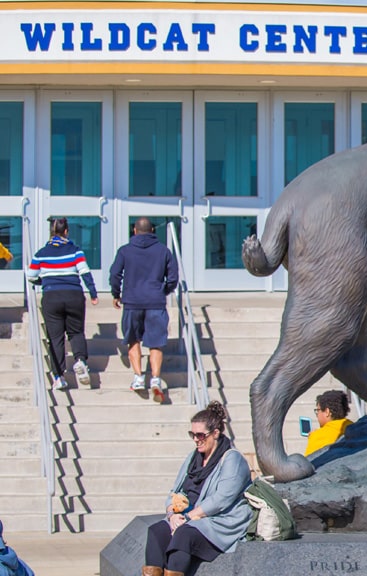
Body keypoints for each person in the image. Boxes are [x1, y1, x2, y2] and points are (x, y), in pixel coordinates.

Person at [144, 401, 252, 576]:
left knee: (184, 536)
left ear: (215, 433)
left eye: (200, 435)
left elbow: (221, 500)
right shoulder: (193, 457)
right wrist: (172, 515)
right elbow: (174, 491)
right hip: (187, 518)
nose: (196, 439)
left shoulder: (233, 459)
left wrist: (187, 518)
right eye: (192, 434)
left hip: (218, 521)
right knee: (157, 532)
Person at [25, 216, 99, 391]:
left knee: (56, 338)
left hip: (51, 296)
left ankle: (58, 377)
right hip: (73, 295)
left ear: (52, 232)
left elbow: (31, 276)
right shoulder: (75, 250)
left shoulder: (41, 253)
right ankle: (80, 360)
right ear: (66, 231)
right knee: (75, 332)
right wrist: (93, 293)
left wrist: (45, 282)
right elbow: (85, 272)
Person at [110, 217, 178, 402]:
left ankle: (139, 377)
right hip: (155, 301)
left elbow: (115, 274)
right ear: (153, 230)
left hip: (132, 301)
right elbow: (173, 277)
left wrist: (116, 294)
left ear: (134, 230)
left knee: (133, 339)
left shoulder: (125, 251)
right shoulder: (164, 251)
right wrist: (163, 291)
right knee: (156, 342)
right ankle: (155, 379)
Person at [304, 390, 353, 456]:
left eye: (318, 410)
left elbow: (309, 461)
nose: (317, 415)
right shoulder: (354, 427)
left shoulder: (318, 436)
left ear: (327, 412)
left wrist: (314, 437)